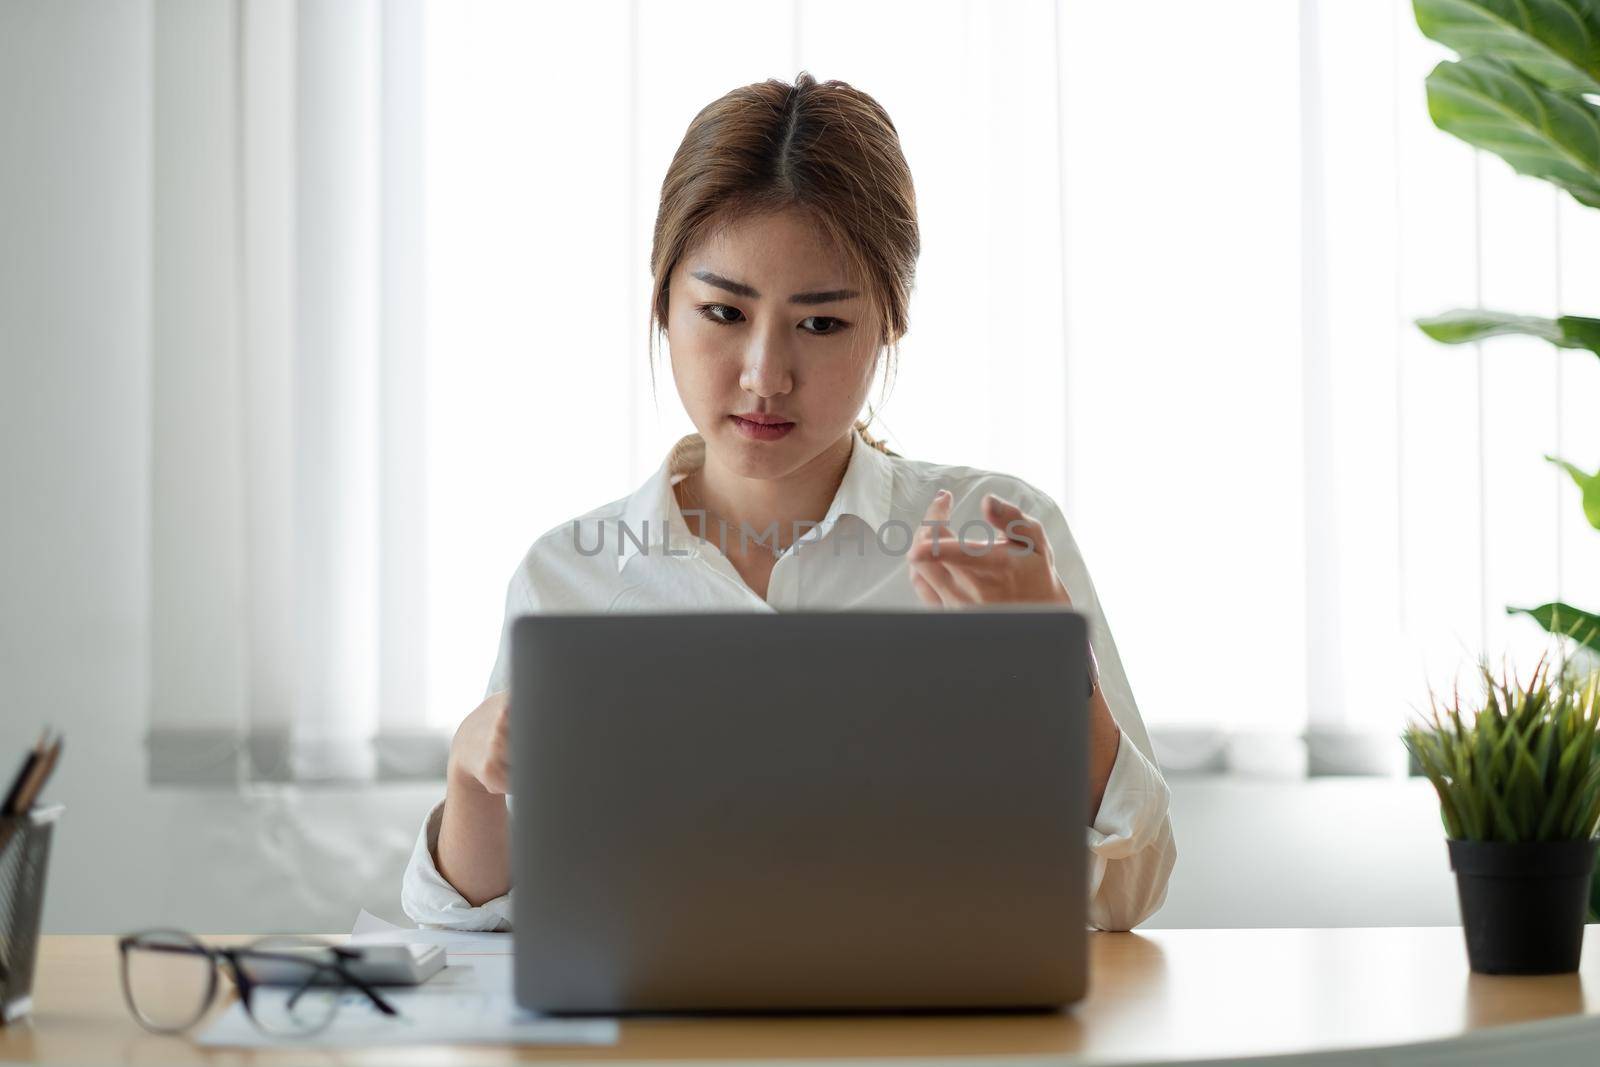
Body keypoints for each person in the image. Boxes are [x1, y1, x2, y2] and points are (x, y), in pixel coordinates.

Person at [402, 72, 1176, 934]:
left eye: (821, 324)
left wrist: (1057, 671)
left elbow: (1128, 893)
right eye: (724, 311)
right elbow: (472, 927)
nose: (765, 375)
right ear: (663, 305)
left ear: (891, 324)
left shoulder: (990, 537)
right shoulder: (571, 573)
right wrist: (470, 777)